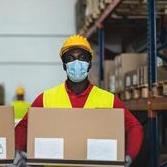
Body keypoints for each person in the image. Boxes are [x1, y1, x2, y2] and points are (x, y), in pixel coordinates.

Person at [14, 35, 144, 167]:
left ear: (89, 64)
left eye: (82, 58)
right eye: (70, 58)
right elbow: (23, 127)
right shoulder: (46, 98)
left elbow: (134, 127)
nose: (76, 63)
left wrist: (129, 155)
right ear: (64, 65)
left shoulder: (108, 100)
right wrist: (18, 150)